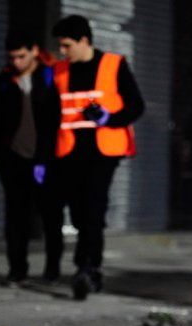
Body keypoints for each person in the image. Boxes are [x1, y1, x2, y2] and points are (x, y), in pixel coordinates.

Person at [50, 15, 145, 300]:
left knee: (93, 208)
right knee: (79, 212)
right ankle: (88, 267)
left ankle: (87, 268)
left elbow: (136, 106)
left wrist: (108, 118)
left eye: (67, 45)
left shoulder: (114, 65)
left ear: (84, 40)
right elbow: (50, 113)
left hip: (103, 152)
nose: (62, 51)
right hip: (69, 151)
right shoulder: (59, 71)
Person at [0, 30, 62, 286]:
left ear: (34, 51)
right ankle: (17, 270)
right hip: (13, 158)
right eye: (12, 57)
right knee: (16, 216)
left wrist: (48, 158)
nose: (16, 62)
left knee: (50, 216)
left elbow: (55, 121)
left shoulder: (50, 76)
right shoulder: (5, 79)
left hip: (46, 159)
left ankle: (52, 271)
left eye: (21, 56)